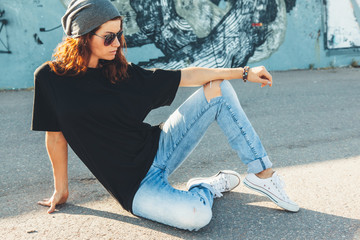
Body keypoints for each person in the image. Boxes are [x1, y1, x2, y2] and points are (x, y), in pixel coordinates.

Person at [31, 0, 299, 231]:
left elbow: (189, 75)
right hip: (135, 188)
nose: (117, 44)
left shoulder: (122, 73)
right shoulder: (50, 78)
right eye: (108, 36)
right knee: (196, 218)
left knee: (219, 90)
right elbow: (55, 138)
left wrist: (244, 72)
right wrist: (61, 190)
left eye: (119, 35)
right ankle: (207, 187)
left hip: (160, 147)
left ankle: (262, 174)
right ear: (84, 35)